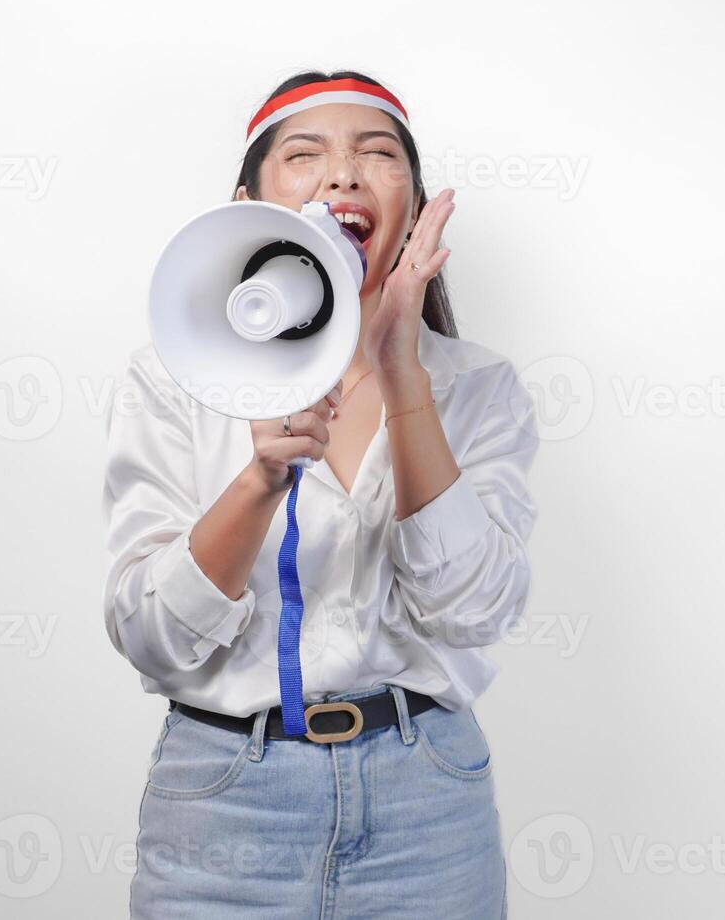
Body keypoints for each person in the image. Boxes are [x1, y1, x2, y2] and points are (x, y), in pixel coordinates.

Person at [102, 69, 539, 918]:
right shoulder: (172, 379)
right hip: (225, 802)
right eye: (306, 154)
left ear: (410, 211)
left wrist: (404, 378)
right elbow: (151, 638)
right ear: (248, 205)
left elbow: (474, 612)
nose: (343, 173)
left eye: (377, 154)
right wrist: (261, 477)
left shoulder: (479, 388)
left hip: (426, 805)